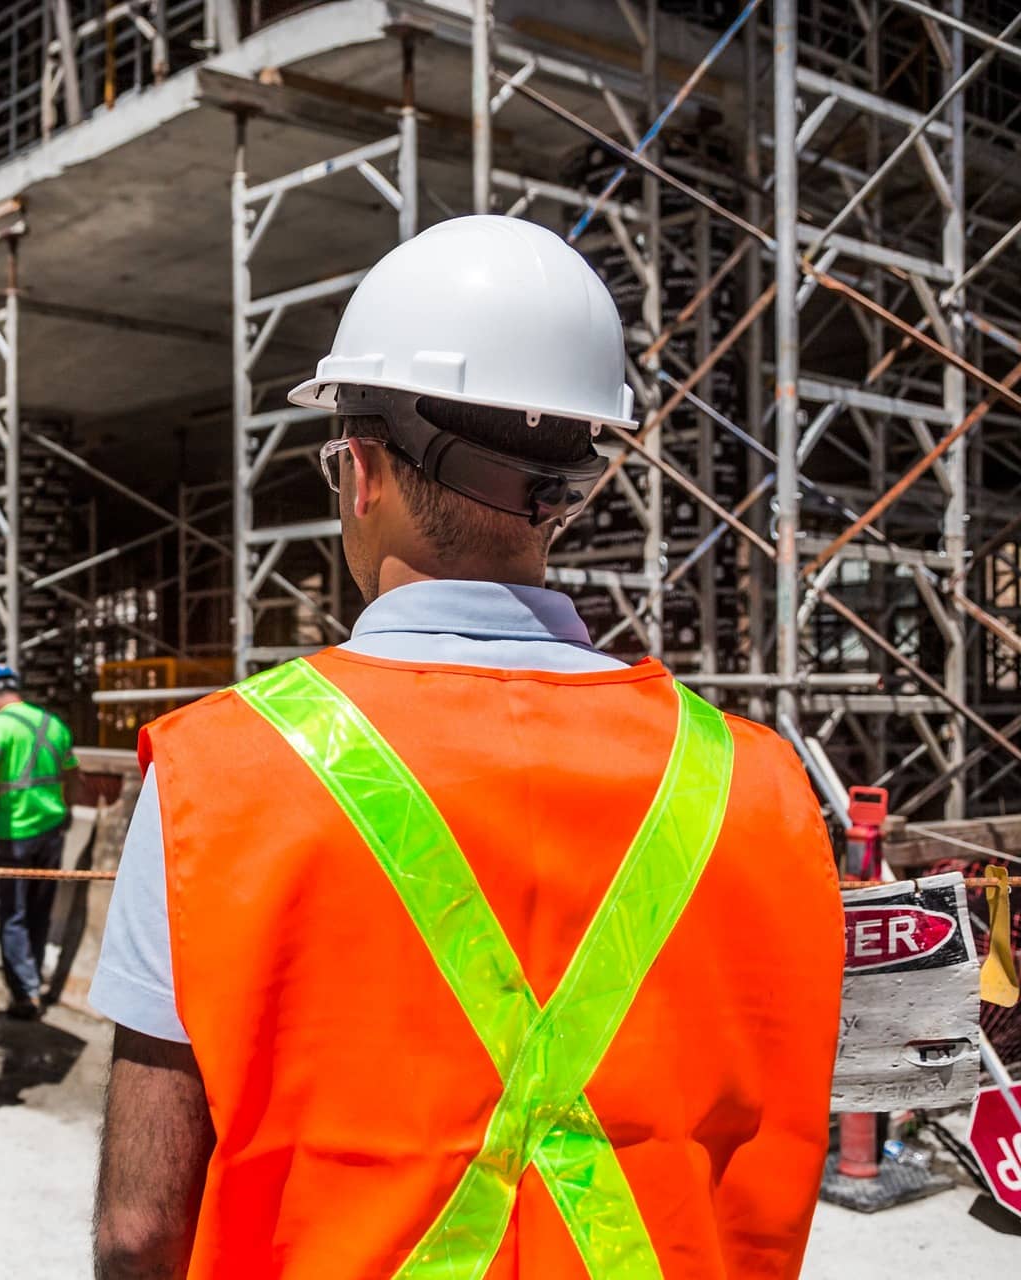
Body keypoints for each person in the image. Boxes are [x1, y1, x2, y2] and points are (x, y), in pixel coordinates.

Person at [88, 216, 844, 1278]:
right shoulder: (757, 780)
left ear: (358, 472)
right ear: (564, 488)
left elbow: (138, 1226)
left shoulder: (218, 775)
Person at [0, 662, 79, 1019]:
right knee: (39, 912)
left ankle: (25, 994)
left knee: (12, 915)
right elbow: (74, 775)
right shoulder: (54, 725)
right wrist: (63, 809)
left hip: (13, 834)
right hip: (51, 832)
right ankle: (33, 980)